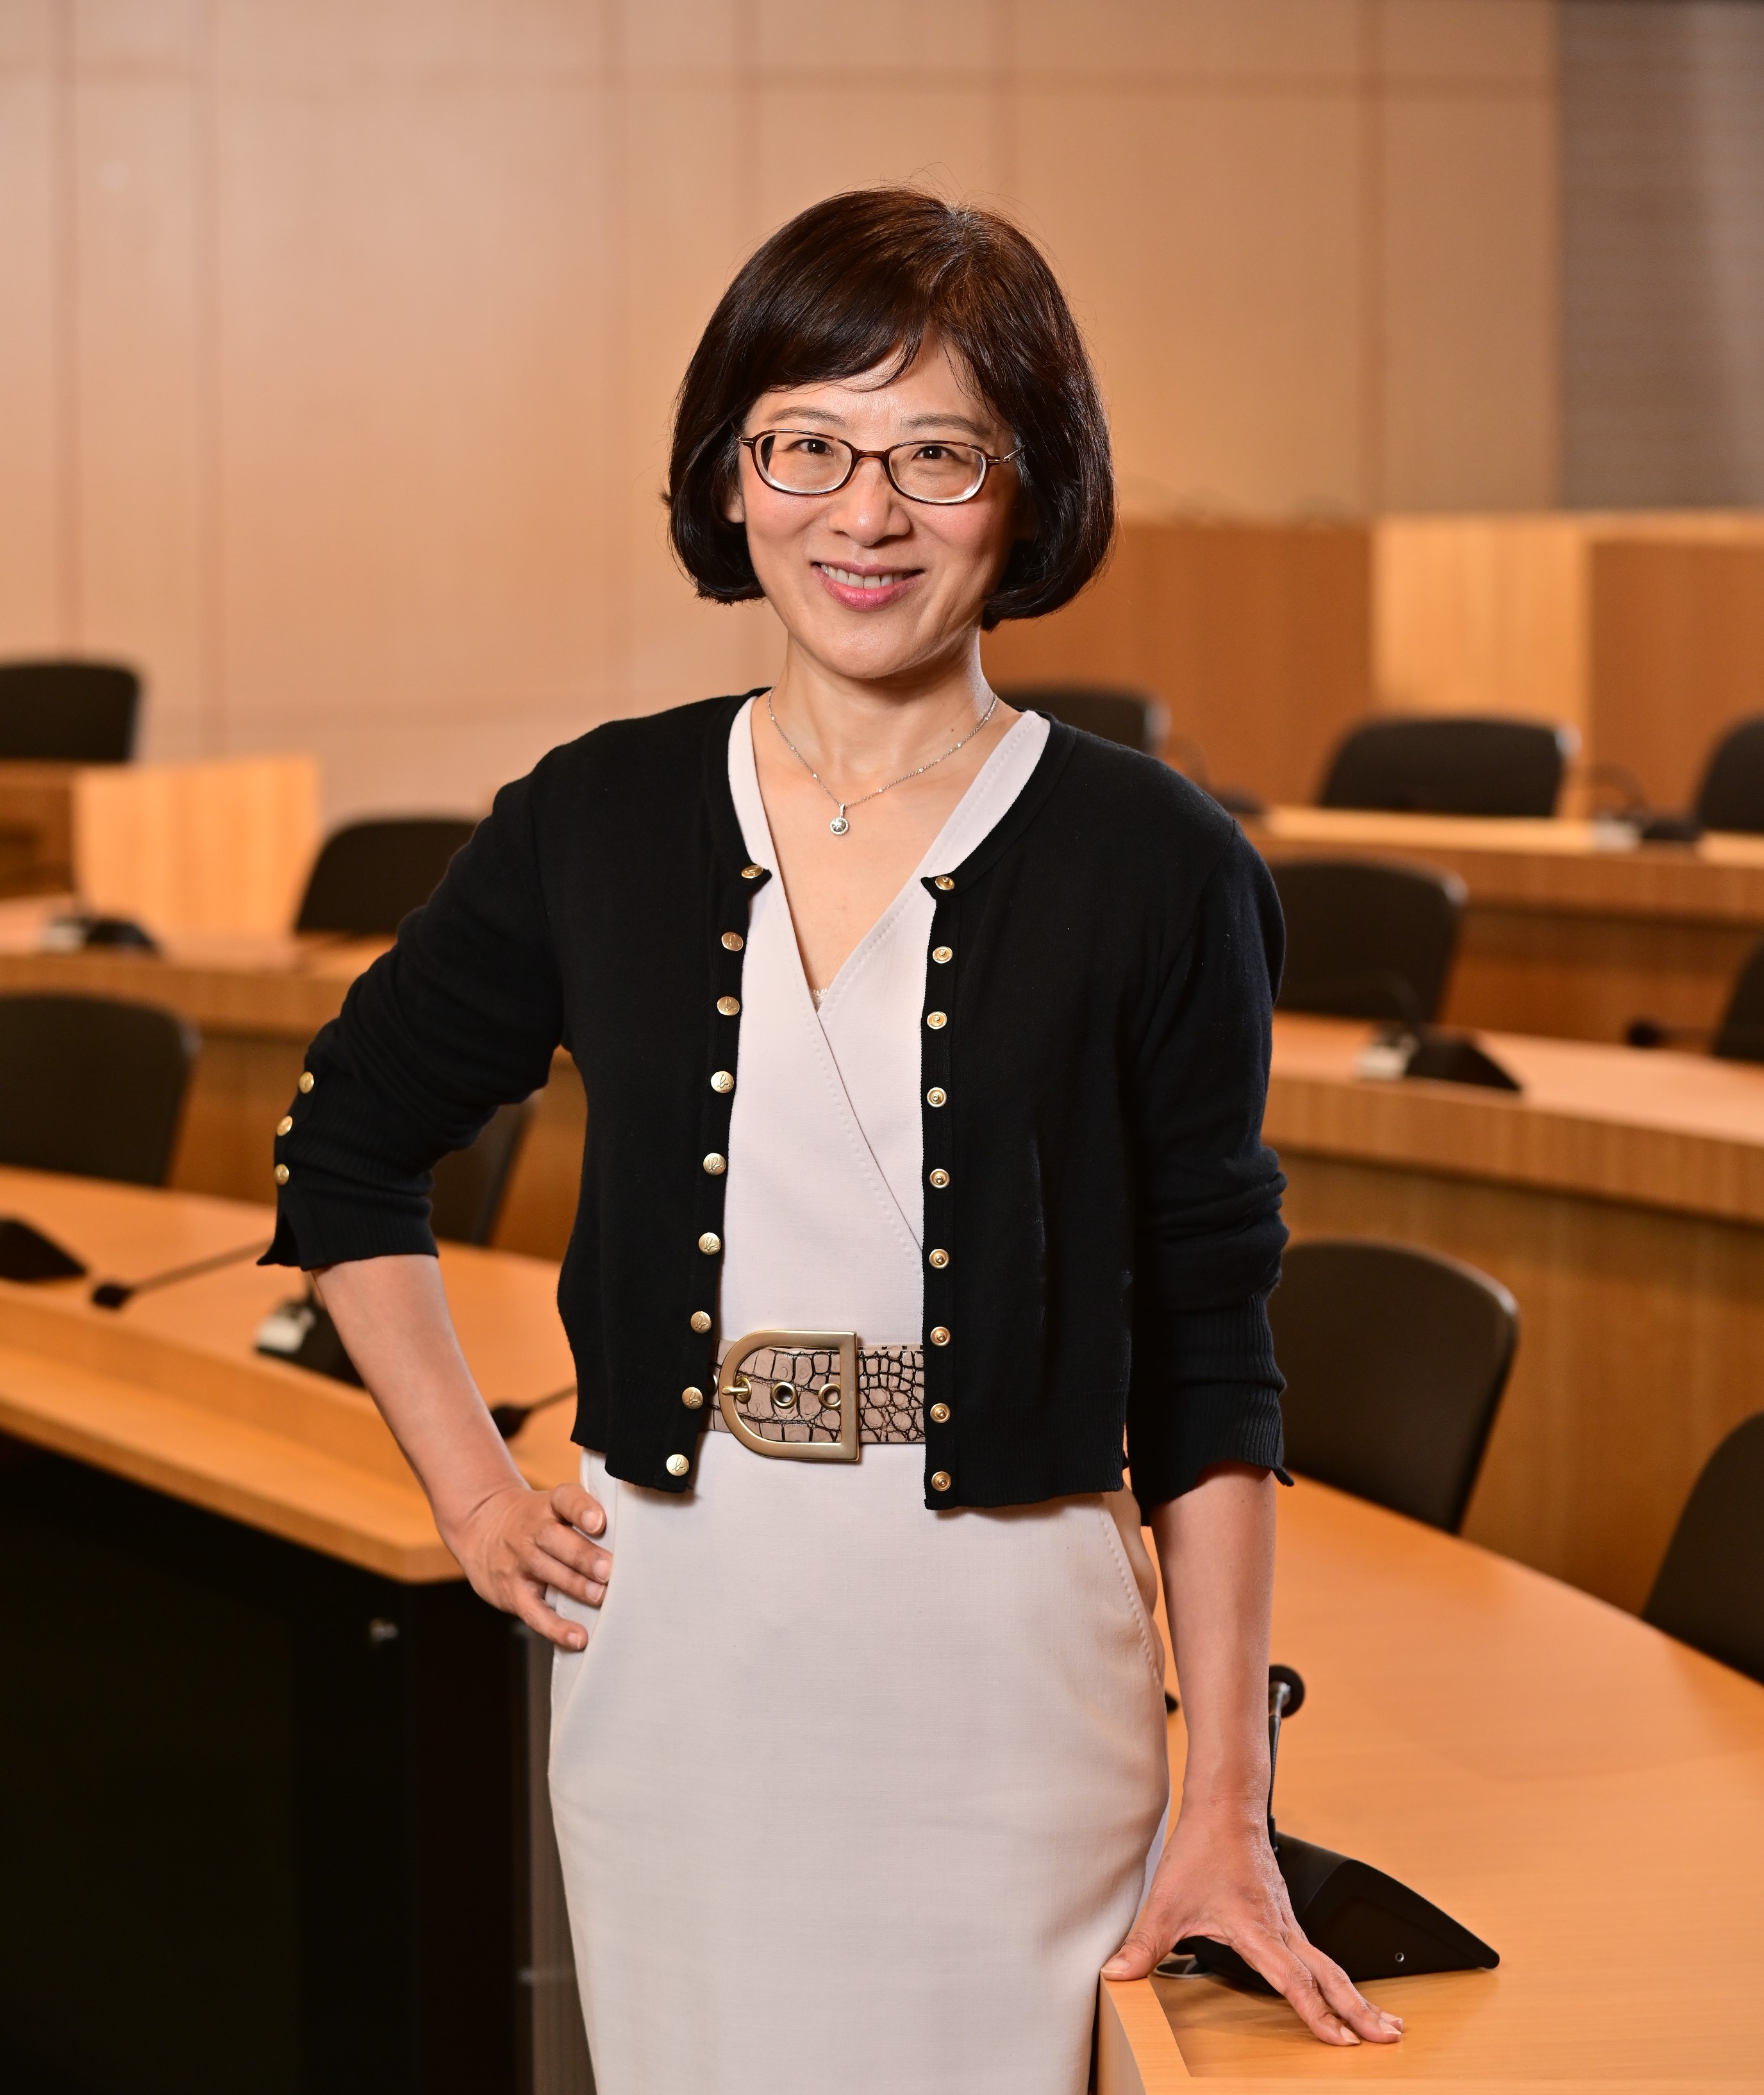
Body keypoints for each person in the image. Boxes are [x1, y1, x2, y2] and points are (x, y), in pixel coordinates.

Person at [265, 187, 1402, 2092]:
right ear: (732, 476)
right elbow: (346, 1145)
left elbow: (1212, 1342)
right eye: (806, 443)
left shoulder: (1160, 863)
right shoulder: (595, 817)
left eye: (938, 455)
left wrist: (1228, 1793)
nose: (864, 515)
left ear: (1030, 493)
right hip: (678, 1660)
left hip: (1010, 1683)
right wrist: (473, 1496)